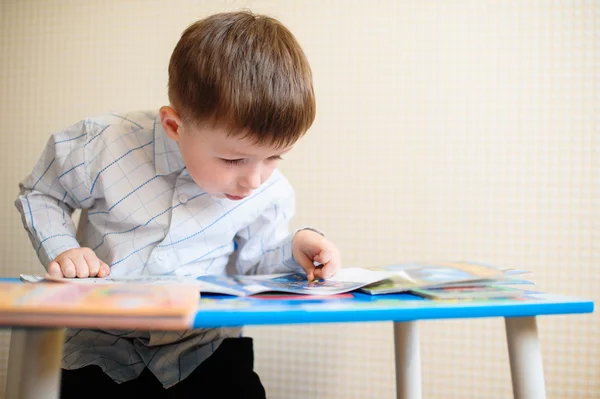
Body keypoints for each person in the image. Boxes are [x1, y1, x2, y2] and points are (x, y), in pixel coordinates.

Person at [15, 10, 341, 398]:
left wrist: (293, 248)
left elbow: (254, 263)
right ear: (174, 125)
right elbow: (41, 193)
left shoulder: (270, 192)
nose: (254, 180)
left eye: (274, 158)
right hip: (97, 349)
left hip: (204, 350)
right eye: (234, 160)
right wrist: (64, 249)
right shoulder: (102, 144)